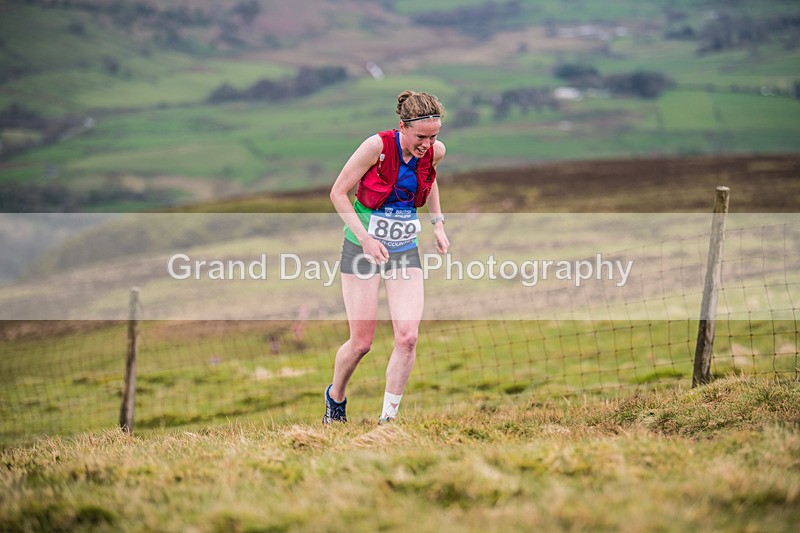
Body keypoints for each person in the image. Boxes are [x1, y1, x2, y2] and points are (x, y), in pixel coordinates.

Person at [323, 90, 449, 424]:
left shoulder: (434, 151)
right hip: (362, 248)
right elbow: (338, 193)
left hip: (404, 248)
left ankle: (387, 422)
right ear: (402, 127)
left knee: (408, 337)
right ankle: (335, 397)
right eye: (421, 137)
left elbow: (431, 180)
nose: (427, 144)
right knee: (362, 342)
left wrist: (437, 225)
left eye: (434, 136)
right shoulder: (376, 147)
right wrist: (364, 239)